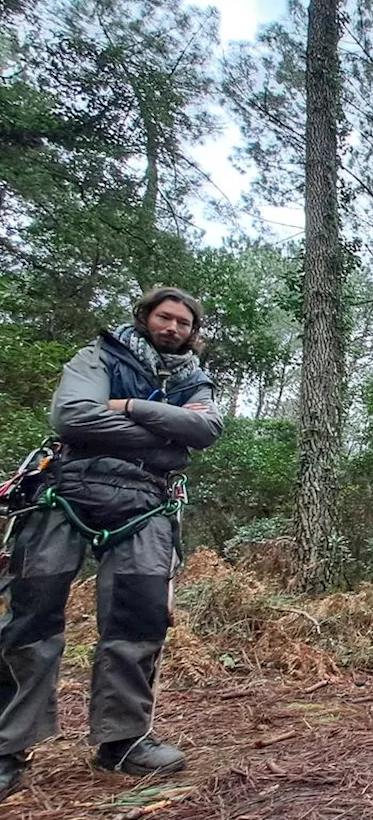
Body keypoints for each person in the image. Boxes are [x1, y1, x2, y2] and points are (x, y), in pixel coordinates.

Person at [0, 287, 224, 802]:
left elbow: (206, 428)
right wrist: (165, 437)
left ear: (192, 332)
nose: (173, 328)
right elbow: (73, 417)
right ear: (145, 317)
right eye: (165, 317)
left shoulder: (195, 379)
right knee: (31, 619)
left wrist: (124, 406)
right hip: (65, 491)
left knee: (139, 620)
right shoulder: (98, 355)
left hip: (146, 502)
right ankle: (8, 745)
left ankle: (123, 740)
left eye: (184, 323)